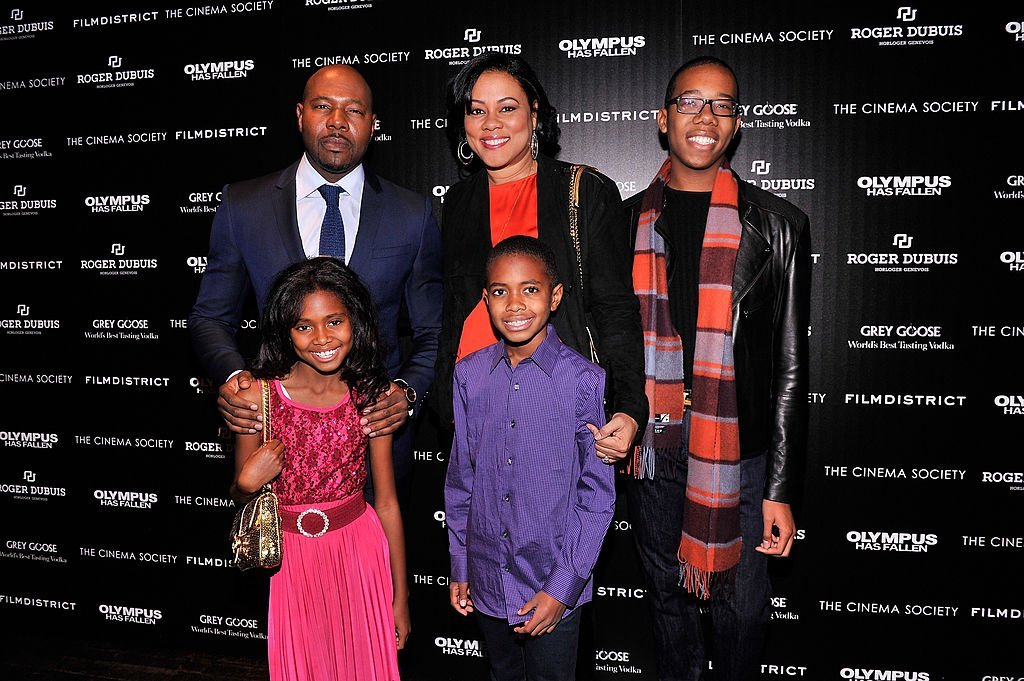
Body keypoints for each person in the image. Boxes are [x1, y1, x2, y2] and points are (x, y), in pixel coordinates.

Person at [624, 56, 811, 681]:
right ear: (662, 118)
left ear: (735, 126)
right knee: (667, 609)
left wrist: (780, 491)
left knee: (743, 617)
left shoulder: (779, 225)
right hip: (654, 452)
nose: (705, 118)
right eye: (690, 102)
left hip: (744, 456)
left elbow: (790, 367)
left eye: (722, 106)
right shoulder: (623, 223)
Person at [190, 64, 443, 508]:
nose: (337, 122)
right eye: (323, 106)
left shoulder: (413, 214)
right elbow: (210, 316)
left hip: (373, 446)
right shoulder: (243, 205)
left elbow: (433, 331)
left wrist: (408, 391)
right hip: (272, 448)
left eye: (354, 110)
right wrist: (233, 379)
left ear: (373, 124)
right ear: (300, 115)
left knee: (373, 574)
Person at [433, 52, 646, 463]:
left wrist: (629, 405)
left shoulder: (584, 191)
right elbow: (455, 312)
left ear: (534, 115)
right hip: (476, 407)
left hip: (562, 410)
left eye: (507, 108)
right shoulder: (458, 201)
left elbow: (615, 308)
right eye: (477, 110)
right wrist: (448, 403)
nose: (490, 123)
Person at [445, 236, 615, 681]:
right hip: (485, 578)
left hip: (551, 582)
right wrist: (462, 563)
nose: (515, 304)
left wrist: (561, 590)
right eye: (500, 291)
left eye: (531, 290)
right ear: (485, 300)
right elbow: (462, 479)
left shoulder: (584, 381)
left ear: (555, 296)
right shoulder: (468, 374)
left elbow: (596, 498)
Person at [230, 257, 409, 681]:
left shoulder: (373, 395)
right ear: (285, 331)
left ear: (355, 322)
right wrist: (245, 482)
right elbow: (240, 497)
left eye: (334, 321)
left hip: (360, 554)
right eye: (303, 326)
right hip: (291, 562)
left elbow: (386, 502)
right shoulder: (258, 396)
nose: (321, 338)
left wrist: (400, 597)